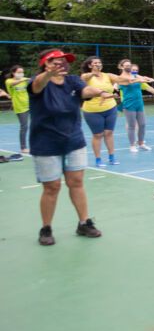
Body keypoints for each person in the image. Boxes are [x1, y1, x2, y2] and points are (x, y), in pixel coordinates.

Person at [28, 49, 116, 245]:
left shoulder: (73, 81)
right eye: (55, 62)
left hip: (73, 140)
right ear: (45, 64)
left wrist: (101, 91)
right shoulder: (37, 81)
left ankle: (84, 223)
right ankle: (46, 228)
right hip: (45, 142)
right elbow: (36, 86)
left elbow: (86, 90)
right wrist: (48, 74)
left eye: (63, 61)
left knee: (76, 182)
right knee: (52, 186)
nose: (61, 64)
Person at [81, 56, 148, 167]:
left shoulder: (108, 76)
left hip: (110, 108)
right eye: (95, 63)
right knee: (98, 135)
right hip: (92, 110)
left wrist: (139, 79)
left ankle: (112, 157)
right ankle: (98, 159)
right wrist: (93, 73)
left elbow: (122, 79)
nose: (98, 64)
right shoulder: (86, 77)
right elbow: (84, 77)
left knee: (109, 133)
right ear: (89, 65)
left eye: (99, 62)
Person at [117, 59, 154, 152]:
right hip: (129, 104)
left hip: (139, 103)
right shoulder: (121, 78)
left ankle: (141, 143)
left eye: (129, 65)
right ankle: (132, 145)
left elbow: (143, 78)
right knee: (131, 125)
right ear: (121, 67)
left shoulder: (134, 75)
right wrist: (143, 79)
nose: (128, 66)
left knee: (142, 124)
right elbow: (133, 80)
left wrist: (149, 80)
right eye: (126, 65)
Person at [4, 65, 30, 153]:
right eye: (18, 72)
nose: (21, 74)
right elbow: (13, 84)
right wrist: (25, 79)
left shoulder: (25, 81)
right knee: (24, 126)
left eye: (22, 72)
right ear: (13, 73)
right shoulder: (9, 81)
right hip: (20, 107)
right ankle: (23, 147)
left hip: (30, 105)